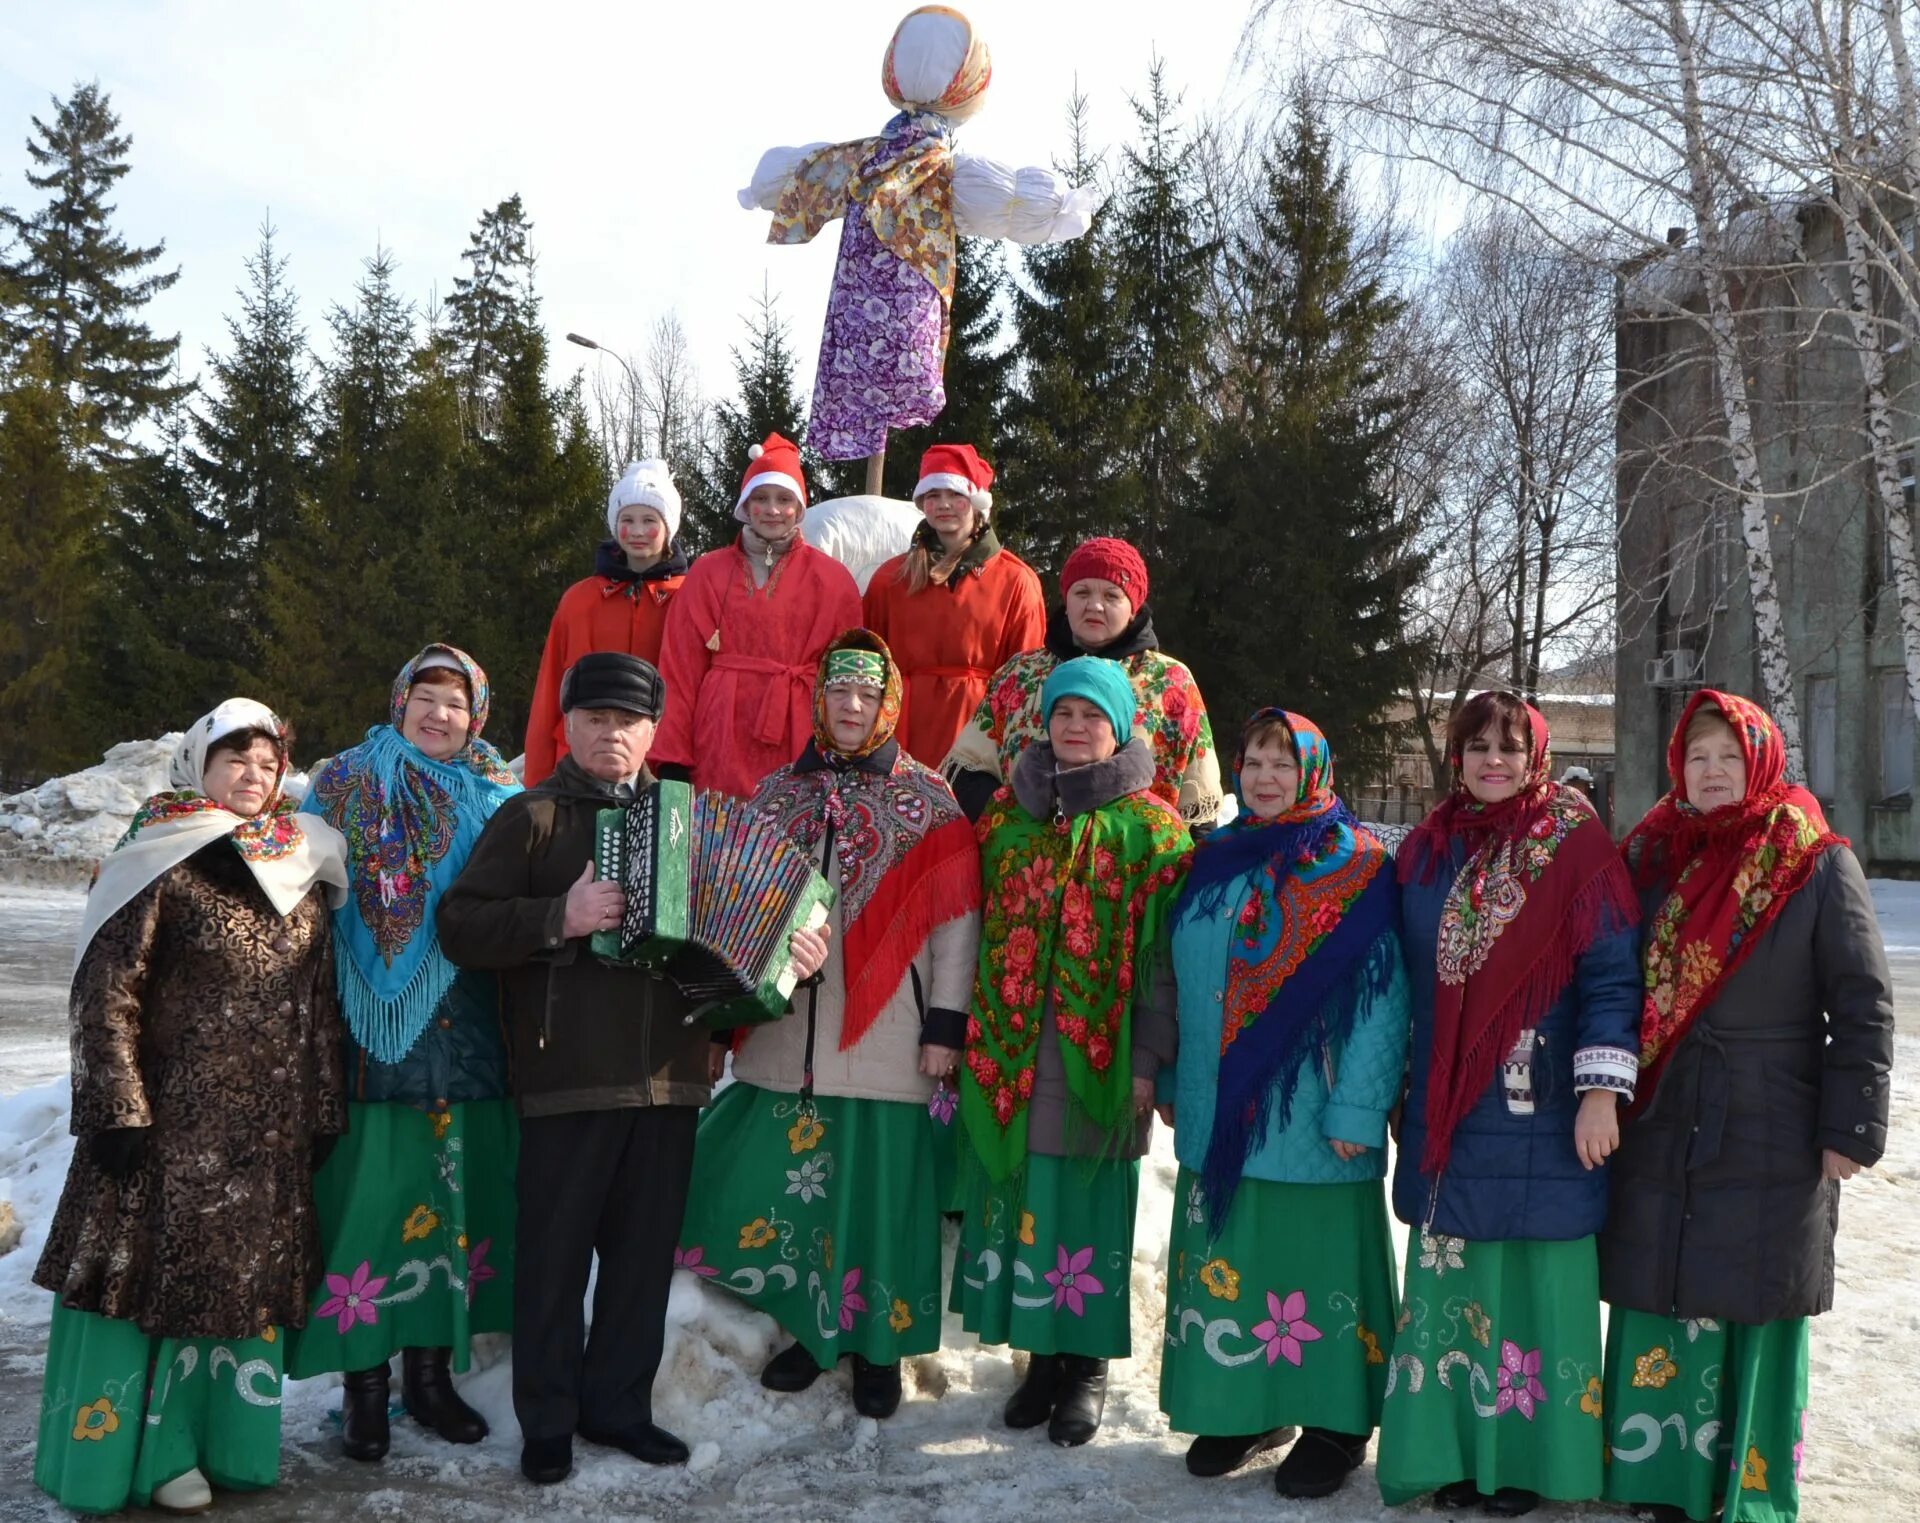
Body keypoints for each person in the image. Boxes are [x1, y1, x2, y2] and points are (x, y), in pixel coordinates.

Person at [436, 652, 830, 1485]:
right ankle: (547, 1419)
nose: (611, 733)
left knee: (643, 1259)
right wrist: (560, 915)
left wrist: (795, 960)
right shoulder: (531, 816)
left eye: (628, 720)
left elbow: (738, 958)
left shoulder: (683, 819)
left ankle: (618, 1406)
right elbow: (461, 926)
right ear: (566, 725)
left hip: (669, 1074)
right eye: (595, 718)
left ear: (654, 729)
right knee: (550, 1257)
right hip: (566, 1071)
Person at [32, 701, 350, 1516]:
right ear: (198, 764)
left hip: (266, 1132)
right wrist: (117, 1107)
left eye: (268, 760)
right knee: (157, 1288)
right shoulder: (158, 856)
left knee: (240, 1288)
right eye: (234, 757)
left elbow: (317, 1002)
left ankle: (226, 1442)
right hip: (169, 1126)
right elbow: (106, 992)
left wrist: (320, 1112)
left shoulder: (302, 860)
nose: (254, 773)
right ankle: (152, 1453)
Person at [1599, 690, 1893, 1523]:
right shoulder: (1652, 854)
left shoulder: (1813, 858)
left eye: (1730, 754)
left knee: (1754, 1296)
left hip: (1775, 1118)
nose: (1714, 770)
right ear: (1677, 769)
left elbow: (1864, 1000)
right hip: (1663, 1110)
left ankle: (1745, 1486)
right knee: (1666, 1284)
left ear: (1762, 759)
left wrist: (1850, 1127)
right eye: (1698, 756)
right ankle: (1661, 1479)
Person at [676, 630, 981, 1419]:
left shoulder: (929, 801)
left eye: (868, 694)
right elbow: (734, 903)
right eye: (840, 692)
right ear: (819, 697)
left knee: (881, 1198)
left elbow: (957, 929)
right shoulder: (779, 792)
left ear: (890, 703)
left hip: (889, 1034)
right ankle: (816, 1334)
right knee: (805, 1198)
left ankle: (879, 1350)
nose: (852, 707)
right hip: (790, 1034)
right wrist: (724, 1012)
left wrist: (944, 1026)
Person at [1376, 691, 1641, 1517]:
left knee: (1536, 1288)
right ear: (1456, 755)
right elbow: (1394, 981)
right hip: (1448, 1109)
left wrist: (1601, 1092)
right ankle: (1452, 1453)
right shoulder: (1423, 852)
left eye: (1511, 747)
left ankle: (1534, 1464)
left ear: (1538, 758)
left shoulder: (1580, 850)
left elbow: (1612, 978)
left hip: (1548, 1110)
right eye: (1479, 745)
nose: (1495, 759)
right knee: (1457, 1292)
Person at [1158, 709, 1408, 1499]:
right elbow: (1181, 981)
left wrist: (1358, 1113)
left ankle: (1335, 1423)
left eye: (1282, 762)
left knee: (1315, 1265)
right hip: (1218, 1107)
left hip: (1316, 1117)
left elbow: (1383, 1001)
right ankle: (1246, 1405)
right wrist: (1171, 1080)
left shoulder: (1358, 864)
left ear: (1313, 770)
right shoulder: (1215, 860)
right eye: (1255, 760)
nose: (1266, 776)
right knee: (1238, 1260)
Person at [287, 644, 522, 1461]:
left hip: (474, 1030)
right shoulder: (345, 782)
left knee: (452, 1207)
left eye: (456, 702)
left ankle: (430, 1377)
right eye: (425, 695)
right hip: (373, 1031)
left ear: (478, 714)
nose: (439, 713)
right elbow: (296, 888)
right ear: (399, 700)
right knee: (372, 1206)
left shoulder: (503, 794)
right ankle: (364, 1389)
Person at [954, 656, 1192, 1448]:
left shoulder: (1152, 827)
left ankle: (1086, 1363)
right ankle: (1041, 1358)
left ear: (1120, 726)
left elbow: (1165, 962)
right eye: (1064, 713)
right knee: (1027, 1201)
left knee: (1087, 1203)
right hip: (1013, 1048)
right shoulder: (1006, 817)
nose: (1076, 727)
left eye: (1094, 715)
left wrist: (1149, 1061)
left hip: (1103, 1053)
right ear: (1043, 722)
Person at [943, 535, 1221, 831]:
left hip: (1134, 859)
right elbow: (970, 770)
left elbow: (1197, 804)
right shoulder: (1019, 673)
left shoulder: (1170, 682)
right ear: (1066, 600)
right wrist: (1011, 827)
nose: (1095, 606)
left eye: (1112, 596)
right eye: (1082, 592)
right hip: (1023, 857)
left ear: (1134, 607)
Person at [651, 433, 862, 798]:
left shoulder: (832, 580)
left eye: (784, 499)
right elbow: (680, 667)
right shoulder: (708, 572)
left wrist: (847, 750)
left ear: (799, 507)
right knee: (721, 841)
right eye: (760, 499)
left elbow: (848, 673)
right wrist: (672, 758)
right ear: (745, 506)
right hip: (720, 734)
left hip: (801, 734)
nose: (772, 510)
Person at [861, 442, 1046, 767]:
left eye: (955, 495)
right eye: (933, 496)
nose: (943, 504)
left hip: (978, 741)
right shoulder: (890, 578)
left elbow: (1025, 681)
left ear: (976, 503)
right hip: (901, 736)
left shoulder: (1016, 581)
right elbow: (867, 664)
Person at [524, 460, 690, 786]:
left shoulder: (691, 598)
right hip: (578, 762)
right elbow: (549, 692)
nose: (638, 531)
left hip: (661, 764)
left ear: (668, 526)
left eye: (649, 520)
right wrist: (536, 782)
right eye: (628, 520)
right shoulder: (580, 600)